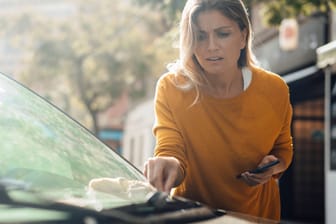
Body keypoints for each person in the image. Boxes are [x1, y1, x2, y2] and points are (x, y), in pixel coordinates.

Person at [143, 0, 293, 221]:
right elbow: (171, 149)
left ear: (243, 36)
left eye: (223, 34)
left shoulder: (275, 90)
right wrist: (168, 164)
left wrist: (271, 168)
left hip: (257, 217)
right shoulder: (171, 87)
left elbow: (284, 149)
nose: (211, 46)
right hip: (193, 217)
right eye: (200, 36)